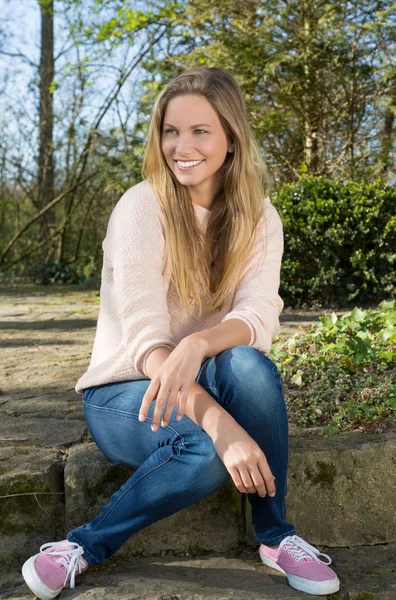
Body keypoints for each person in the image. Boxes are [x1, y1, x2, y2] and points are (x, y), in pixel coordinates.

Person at [21, 66, 340, 599]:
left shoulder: (260, 217)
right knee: (209, 449)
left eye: (199, 131)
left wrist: (196, 343)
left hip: (204, 372)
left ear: (231, 139)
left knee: (250, 365)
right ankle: (82, 546)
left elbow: (259, 315)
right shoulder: (141, 207)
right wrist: (222, 425)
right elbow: (146, 339)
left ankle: (276, 535)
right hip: (123, 389)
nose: (181, 146)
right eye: (171, 131)